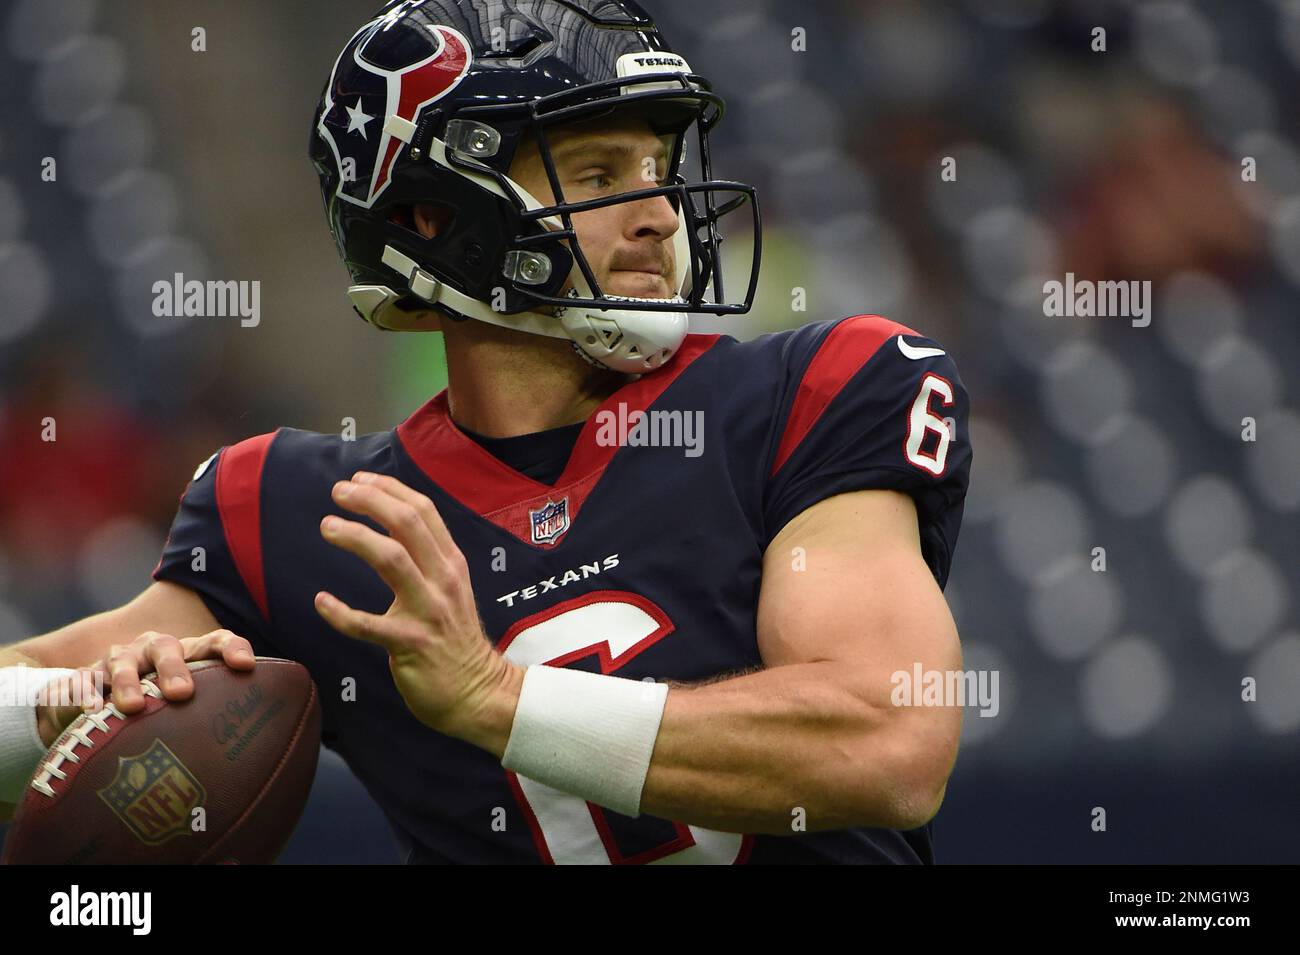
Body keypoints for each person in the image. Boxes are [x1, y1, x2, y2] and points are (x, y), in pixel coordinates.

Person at [0, 0, 972, 864]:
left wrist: (496, 701)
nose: (655, 216)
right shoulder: (314, 519)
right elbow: (43, 692)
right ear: (432, 213)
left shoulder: (813, 390)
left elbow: (887, 741)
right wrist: (80, 704)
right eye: (595, 171)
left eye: (657, 168)